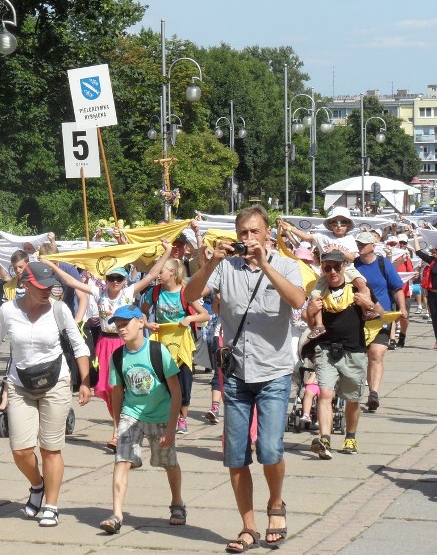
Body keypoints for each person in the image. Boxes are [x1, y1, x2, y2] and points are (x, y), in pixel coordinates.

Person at [184, 205, 305, 553]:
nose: (248, 238)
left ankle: (277, 504)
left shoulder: (284, 264)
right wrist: (211, 261)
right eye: (242, 233)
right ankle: (248, 526)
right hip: (236, 374)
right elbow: (190, 296)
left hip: (273, 373)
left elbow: (297, 300)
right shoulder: (226, 267)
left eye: (254, 232)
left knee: (269, 449)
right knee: (236, 456)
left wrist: (265, 264)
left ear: (268, 234)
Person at [0, 261, 91, 527]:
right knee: (20, 449)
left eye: (51, 287)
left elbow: (79, 346)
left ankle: (51, 504)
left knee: (50, 449)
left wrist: (85, 381)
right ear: (26, 284)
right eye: (42, 287)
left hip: (56, 383)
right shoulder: (7, 311)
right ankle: (37, 486)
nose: (48, 291)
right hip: (20, 385)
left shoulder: (59, 310)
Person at [42, 239, 169, 451]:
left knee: (123, 388)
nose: (115, 282)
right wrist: (53, 265)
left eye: (119, 278)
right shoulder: (98, 292)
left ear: (124, 279)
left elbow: (152, 275)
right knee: (108, 390)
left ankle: (118, 433)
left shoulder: (128, 293)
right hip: (104, 344)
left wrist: (166, 252)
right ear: (106, 279)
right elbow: (72, 283)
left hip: (124, 343)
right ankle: (121, 427)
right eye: (111, 278)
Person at [98, 306, 184, 535]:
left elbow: (176, 391)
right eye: (118, 324)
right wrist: (117, 426)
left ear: (140, 322)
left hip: (161, 414)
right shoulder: (118, 356)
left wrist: (172, 428)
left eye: (126, 323)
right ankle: (116, 514)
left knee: (168, 462)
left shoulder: (158, 351)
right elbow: (117, 393)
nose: (121, 328)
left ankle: (177, 504)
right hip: (131, 413)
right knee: (122, 460)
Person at [303, 251, 380, 460]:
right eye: (327, 268)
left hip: (354, 350)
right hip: (326, 348)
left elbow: (378, 312)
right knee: (325, 394)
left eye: (336, 267)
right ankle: (325, 439)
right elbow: (310, 325)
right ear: (322, 269)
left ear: (344, 267)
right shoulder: (318, 290)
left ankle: (350, 437)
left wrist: (368, 304)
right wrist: (311, 312)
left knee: (352, 399)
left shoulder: (355, 287)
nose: (333, 272)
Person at [141, 257, 209, 435]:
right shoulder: (154, 292)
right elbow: (140, 312)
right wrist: (148, 324)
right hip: (161, 343)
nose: (157, 275)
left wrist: (190, 318)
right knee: (160, 383)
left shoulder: (186, 292)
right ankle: (162, 417)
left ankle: (182, 419)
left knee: (184, 382)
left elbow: (205, 315)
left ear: (172, 272)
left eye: (161, 271)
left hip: (182, 345)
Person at [352, 231, 406, 412]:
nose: (360, 247)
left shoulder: (383, 264)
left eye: (363, 244)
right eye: (358, 244)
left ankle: (373, 393)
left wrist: (403, 308)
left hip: (381, 316)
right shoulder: (353, 265)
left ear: (373, 246)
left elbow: (397, 288)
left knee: (376, 354)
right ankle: (355, 390)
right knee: (359, 357)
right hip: (358, 318)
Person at [411, 230, 437, 348]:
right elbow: (418, 252)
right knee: (435, 319)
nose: (433, 251)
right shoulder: (432, 261)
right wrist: (415, 236)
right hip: (432, 295)